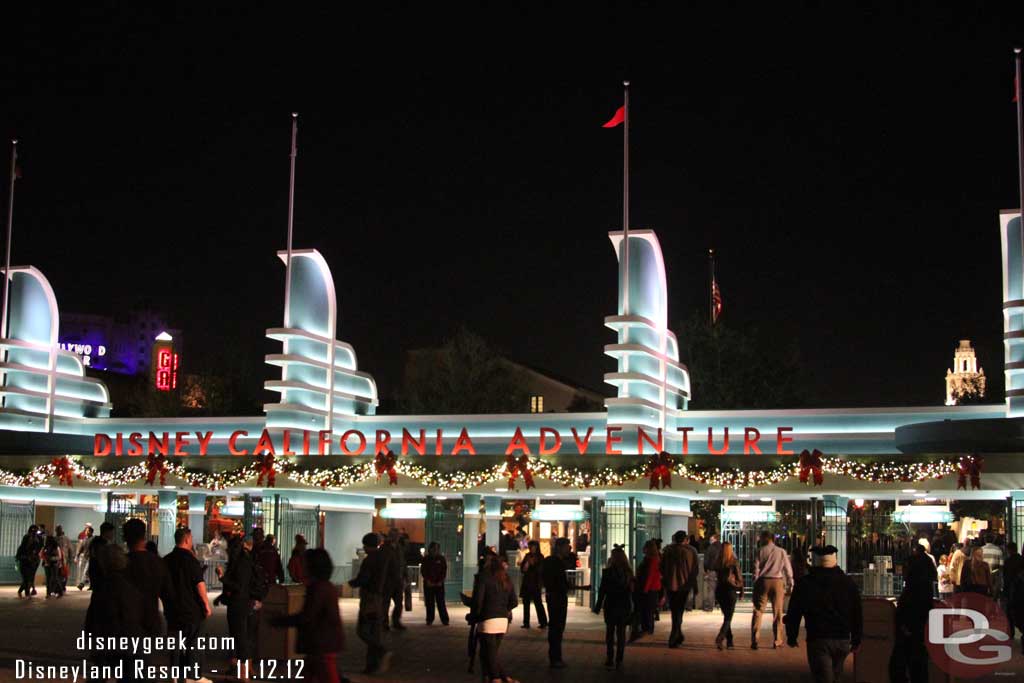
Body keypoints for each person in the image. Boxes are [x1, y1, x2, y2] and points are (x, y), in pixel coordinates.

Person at [272, 548, 345, 683]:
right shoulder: (324, 586)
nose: (301, 567)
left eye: (304, 564)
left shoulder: (319, 588)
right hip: (321, 645)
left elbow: (307, 616)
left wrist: (281, 621)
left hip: (322, 645)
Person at [83, 544, 145, 675]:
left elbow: (93, 617)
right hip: (127, 642)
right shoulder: (128, 586)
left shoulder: (103, 587)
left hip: (107, 641)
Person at [164, 527, 214, 683]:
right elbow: (199, 584)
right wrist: (206, 604)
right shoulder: (190, 560)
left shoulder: (167, 560)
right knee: (194, 642)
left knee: (175, 644)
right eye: (191, 538)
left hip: (172, 610)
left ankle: (174, 674)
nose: (192, 541)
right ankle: (193, 676)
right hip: (191, 610)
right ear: (186, 539)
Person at [217, 534, 261, 679]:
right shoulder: (245, 561)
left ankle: (243, 675)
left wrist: (222, 577)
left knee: (240, 638)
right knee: (243, 637)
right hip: (244, 603)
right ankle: (244, 672)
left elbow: (238, 586)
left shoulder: (239, 563)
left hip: (239, 604)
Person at [472, 553, 520, 683]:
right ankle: (499, 677)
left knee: (489, 652)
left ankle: (496, 677)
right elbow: (514, 601)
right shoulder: (506, 578)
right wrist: (504, 609)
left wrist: (474, 615)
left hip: (488, 619)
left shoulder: (484, 577)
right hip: (502, 621)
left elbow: (478, 601)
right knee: (489, 652)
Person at [889, 546, 934, 683]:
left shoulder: (913, 590)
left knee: (901, 668)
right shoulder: (925, 587)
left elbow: (908, 610)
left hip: (909, 634)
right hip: (918, 636)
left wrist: (905, 627)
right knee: (918, 669)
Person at [349, 532, 392, 674]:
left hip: (369, 598)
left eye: (365, 545)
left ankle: (380, 651)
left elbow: (364, 578)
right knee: (374, 631)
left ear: (368, 545)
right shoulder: (383, 557)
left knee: (362, 630)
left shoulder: (370, 560)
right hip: (379, 597)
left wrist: (353, 583)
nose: (364, 548)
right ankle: (372, 665)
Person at [592, 546, 634, 670]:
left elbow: (602, 591)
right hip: (624, 605)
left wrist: (598, 606)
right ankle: (619, 660)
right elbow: (632, 591)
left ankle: (609, 658)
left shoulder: (607, 572)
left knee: (610, 633)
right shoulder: (629, 573)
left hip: (611, 605)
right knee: (621, 634)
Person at [750, 530, 793, 649]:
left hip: (763, 581)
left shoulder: (760, 551)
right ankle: (777, 640)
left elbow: (756, 568)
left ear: (765, 538)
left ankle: (755, 640)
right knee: (778, 612)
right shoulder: (781, 551)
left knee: (758, 611)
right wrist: (790, 583)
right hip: (777, 581)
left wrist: (756, 581)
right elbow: (787, 569)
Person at [661, 530, 699, 648]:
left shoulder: (668, 551)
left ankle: (677, 633)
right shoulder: (691, 551)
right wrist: (694, 585)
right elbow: (695, 571)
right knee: (679, 610)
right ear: (685, 539)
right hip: (684, 585)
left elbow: (661, 568)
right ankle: (675, 635)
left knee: (675, 610)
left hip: (671, 585)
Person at [541, 537, 572, 668]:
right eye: (567, 546)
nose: (569, 549)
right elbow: (557, 581)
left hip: (554, 596)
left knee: (556, 627)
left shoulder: (553, 561)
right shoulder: (555, 562)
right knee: (557, 627)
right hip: (557, 597)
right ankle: (555, 657)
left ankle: (555, 656)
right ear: (560, 547)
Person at [714, 542, 744, 650]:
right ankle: (721, 637)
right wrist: (741, 589)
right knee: (728, 617)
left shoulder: (718, 562)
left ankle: (730, 640)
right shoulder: (733, 562)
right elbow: (739, 577)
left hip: (719, 591)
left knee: (727, 616)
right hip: (730, 590)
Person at [631, 539, 662, 640]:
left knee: (647, 610)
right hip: (651, 588)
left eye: (645, 547)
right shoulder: (653, 559)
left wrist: (645, 589)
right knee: (648, 610)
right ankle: (648, 628)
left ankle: (647, 629)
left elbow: (650, 576)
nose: (643, 549)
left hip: (649, 589)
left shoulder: (651, 560)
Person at [518, 540, 547, 629]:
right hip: (527, 582)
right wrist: (525, 565)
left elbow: (541, 570)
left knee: (538, 603)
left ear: (536, 547)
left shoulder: (540, 557)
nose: (531, 549)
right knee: (526, 603)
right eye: (530, 547)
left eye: (533, 547)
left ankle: (543, 622)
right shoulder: (527, 556)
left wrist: (533, 564)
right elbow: (522, 569)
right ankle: (526, 623)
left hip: (535, 583)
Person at [420, 541, 450, 626]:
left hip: (439, 585)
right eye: (434, 548)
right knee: (429, 603)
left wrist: (440, 581)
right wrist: (428, 580)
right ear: (430, 549)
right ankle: (429, 619)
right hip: (429, 584)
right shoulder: (426, 559)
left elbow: (444, 571)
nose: (435, 550)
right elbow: (423, 571)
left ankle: (445, 620)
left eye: (437, 549)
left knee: (441, 602)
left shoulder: (441, 559)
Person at [382, 529, 407, 630]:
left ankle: (395, 621)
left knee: (399, 602)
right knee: (386, 602)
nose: (397, 537)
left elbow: (403, 563)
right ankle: (385, 622)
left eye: (398, 536)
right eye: (395, 535)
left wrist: (404, 576)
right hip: (388, 580)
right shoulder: (385, 548)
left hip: (398, 580)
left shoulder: (399, 548)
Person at [85, 522, 115, 589]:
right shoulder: (100, 543)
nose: (113, 534)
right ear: (107, 532)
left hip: (96, 573)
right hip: (100, 574)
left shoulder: (96, 541)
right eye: (112, 532)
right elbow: (99, 559)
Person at [1002, 542, 1023, 640]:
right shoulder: (1021, 560)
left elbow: (1005, 578)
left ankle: (1011, 632)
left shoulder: (1008, 561)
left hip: (1012, 590)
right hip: (1019, 590)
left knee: (1010, 612)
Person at [702, 531, 722, 611]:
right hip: (721, 571)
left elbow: (706, 561)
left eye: (711, 539)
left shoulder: (710, 548)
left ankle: (710, 606)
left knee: (711, 589)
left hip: (712, 571)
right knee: (720, 588)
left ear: (715, 539)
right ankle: (720, 604)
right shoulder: (722, 547)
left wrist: (706, 570)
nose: (710, 541)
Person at [75, 523, 94, 588]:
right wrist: (77, 556)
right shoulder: (85, 539)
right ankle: (90, 584)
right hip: (85, 557)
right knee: (87, 571)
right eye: (86, 530)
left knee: (86, 571)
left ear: (91, 532)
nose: (86, 532)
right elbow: (81, 548)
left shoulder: (93, 539)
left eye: (88, 530)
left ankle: (81, 584)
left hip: (91, 557)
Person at [54, 526, 72, 593]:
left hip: (65, 559)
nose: (58, 531)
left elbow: (70, 548)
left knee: (64, 573)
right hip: (57, 559)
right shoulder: (54, 539)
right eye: (57, 530)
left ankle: (63, 586)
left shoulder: (66, 539)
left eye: (59, 529)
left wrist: (70, 558)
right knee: (57, 573)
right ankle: (58, 587)